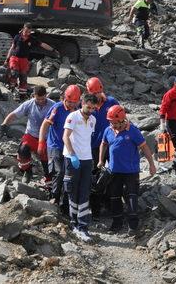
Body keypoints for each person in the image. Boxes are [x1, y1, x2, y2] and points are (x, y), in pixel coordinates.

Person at [98, 105, 156, 234]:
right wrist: (101, 160)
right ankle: (116, 224)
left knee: (131, 197)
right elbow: (103, 144)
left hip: (131, 171)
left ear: (122, 120)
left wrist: (151, 164)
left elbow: (144, 147)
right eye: (110, 122)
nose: (112, 125)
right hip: (114, 171)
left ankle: (133, 226)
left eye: (114, 122)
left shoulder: (133, 131)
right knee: (114, 197)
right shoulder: (108, 130)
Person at [38, 84, 82, 211]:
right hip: (55, 144)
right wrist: (41, 141)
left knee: (69, 174)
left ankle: (66, 202)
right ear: (64, 98)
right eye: (69, 102)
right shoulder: (57, 108)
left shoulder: (79, 109)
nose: (72, 105)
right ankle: (55, 196)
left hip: (70, 146)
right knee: (59, 171)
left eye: (74, 102)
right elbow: (45, 124)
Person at [63, 92, 99, 242]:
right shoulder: (73, 117)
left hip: (87, 159)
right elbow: (65, 136)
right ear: (82, 103)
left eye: (92, 108)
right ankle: (74, 224)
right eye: (88, 107)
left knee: (84, 191)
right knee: (73, 190)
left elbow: (86, 139)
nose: (90, 110)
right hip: (73, 158)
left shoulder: (93, 120)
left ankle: (83, 226)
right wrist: (72, 154)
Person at [0, 85, 55, 183]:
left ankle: (48, 180)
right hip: (31, 135)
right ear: (34, 95)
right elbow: (14, 114)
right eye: (38, 99)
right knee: (22, 150)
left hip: (47, 138)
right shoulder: (28, 104)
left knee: (47, 163)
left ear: (46, 95)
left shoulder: (53, 105)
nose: (41, 101)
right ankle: (27, 171)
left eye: (43, 98)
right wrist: (4, 125)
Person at [85, 76, 120, 217]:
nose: (96, 96)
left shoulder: (111, 102)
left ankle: (110, 204)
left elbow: (122, 119)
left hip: (111, 145)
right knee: (95, 177)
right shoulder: (88, 106)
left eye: (98, 93)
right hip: (93, 146)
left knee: (113, 175)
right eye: (93, 94)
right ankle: (95, 209)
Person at [4, 23, 57, 98]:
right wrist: (7, 59)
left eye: (29, 32)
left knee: (23, 77)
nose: (27, 33)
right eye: (26, 31)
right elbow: (12, 48)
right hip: (14, 58)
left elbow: (42, 44)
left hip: (24, 60)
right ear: (23, 29)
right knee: (14, 73)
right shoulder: (17, 37)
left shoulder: (31, 39)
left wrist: (52, 49)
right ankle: (10, 89)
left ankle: (22, 94)